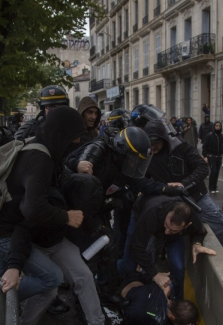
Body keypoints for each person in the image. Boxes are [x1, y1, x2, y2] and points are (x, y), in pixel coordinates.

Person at [0, 106, 116, 325]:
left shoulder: (51, 157)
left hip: (53, 237)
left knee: (83, 276)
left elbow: (65, 175)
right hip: (26, 236)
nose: (77, 141)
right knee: (49, 286)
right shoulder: (40, 160)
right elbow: (30, 212)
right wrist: (66, 217)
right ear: (61, 134)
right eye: (74, 136)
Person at [65, 127, 181, 307]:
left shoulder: (123, 165)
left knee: (108, 248)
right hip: (77, 212)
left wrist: (165, 188)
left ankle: (106, 292)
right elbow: (72, 174)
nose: (135, 164)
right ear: (123, 151)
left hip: (97, 209)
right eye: (134, 159)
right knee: (89, 255)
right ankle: (81, 300)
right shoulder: (98, 151)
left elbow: (139, 182)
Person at [144, 119, 223, 263]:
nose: (152, 146)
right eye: (149, 142)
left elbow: (203, 168)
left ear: (164, 138)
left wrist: (183, 184)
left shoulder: (181, 146)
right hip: (169, 200)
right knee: (153, 238)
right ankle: (147, 272)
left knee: (219, 225)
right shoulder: (146, 154)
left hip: (195, 195)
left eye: (156, 142)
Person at [119, 197, 215, 301]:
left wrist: (197, 244)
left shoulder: (195, 216)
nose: (167, 232)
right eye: (167, 225)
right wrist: (155, 274)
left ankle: (177, 301)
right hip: (143, 218)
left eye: (173, 229)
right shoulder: (152, 213)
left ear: (187, 225)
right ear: (169, 213)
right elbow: (137, 246)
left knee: (178, 267)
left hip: (174, 236)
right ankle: (112, 278)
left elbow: (199, 231)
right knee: (129, 265)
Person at [120, 273, 199, 325]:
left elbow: (172, 279)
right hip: (123, 304)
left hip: (131, 283)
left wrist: (165, 293)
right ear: (172, 317)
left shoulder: (169, 286)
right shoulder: (159, 322)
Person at [202, 121, 223, 193]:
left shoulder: (221, 136)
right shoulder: (210, 135)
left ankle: (215, 186)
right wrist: (205, 155)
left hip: (219, 156)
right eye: (216, 126)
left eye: (219, 126)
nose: (218, 127)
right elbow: (205, 146)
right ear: (214, 126)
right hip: (211, 156)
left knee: (217, 172)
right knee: (213, 171)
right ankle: (211, 187)